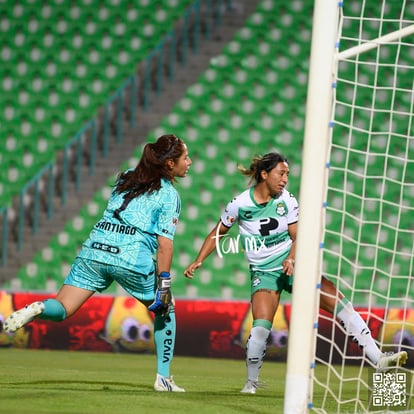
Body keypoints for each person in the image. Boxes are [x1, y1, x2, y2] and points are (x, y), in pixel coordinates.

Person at [184, 152, 408, 394]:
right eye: (281, 173)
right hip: (263, 272)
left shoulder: (287, 200)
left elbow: (297, 236)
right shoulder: (239, 204)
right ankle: (251, 384)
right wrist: (198, 260)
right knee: (259, 328)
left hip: (292, 264)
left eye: (287, 174)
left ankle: (378, 358)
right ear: (264, 174)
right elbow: (218, 233)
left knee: (339, 302)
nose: (285, 179)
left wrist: (291, 258)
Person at [5, 134, 192, 392]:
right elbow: (165, 245)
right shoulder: (169, 195)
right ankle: (164, 378)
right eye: (185, 157)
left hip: (94, 251)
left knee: (63, 307)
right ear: (170, 164)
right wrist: (164, 284)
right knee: (166, 309)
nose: (190, 162)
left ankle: (38, 307)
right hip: (129, 257)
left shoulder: (126, 176)